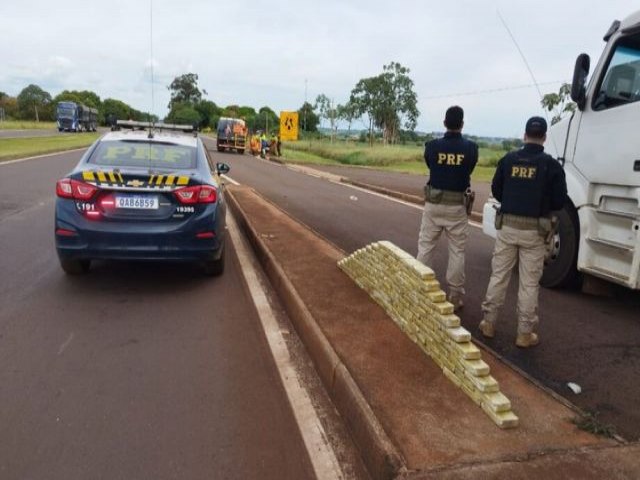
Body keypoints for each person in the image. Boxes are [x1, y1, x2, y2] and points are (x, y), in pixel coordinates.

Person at [479, 116, 567, 348]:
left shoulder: (508, 160)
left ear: (524, 135)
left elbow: (497, 190)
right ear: (545, 138)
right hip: (535, 232)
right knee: (529, 284)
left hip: (507, 227)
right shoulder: (551, 165)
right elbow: (559, 200)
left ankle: (488, 322)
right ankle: (524, 333)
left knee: (499, 276)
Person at [417, 106, 478, 311]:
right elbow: (469, 167)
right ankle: (455, 295)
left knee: (426, 246)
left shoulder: (432, 146)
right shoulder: (471, 148)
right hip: (457, 207)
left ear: (444, 123)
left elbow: (429, 164)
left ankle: (421, 287)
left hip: (433, 203)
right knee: (457, 251)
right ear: (462, 124)